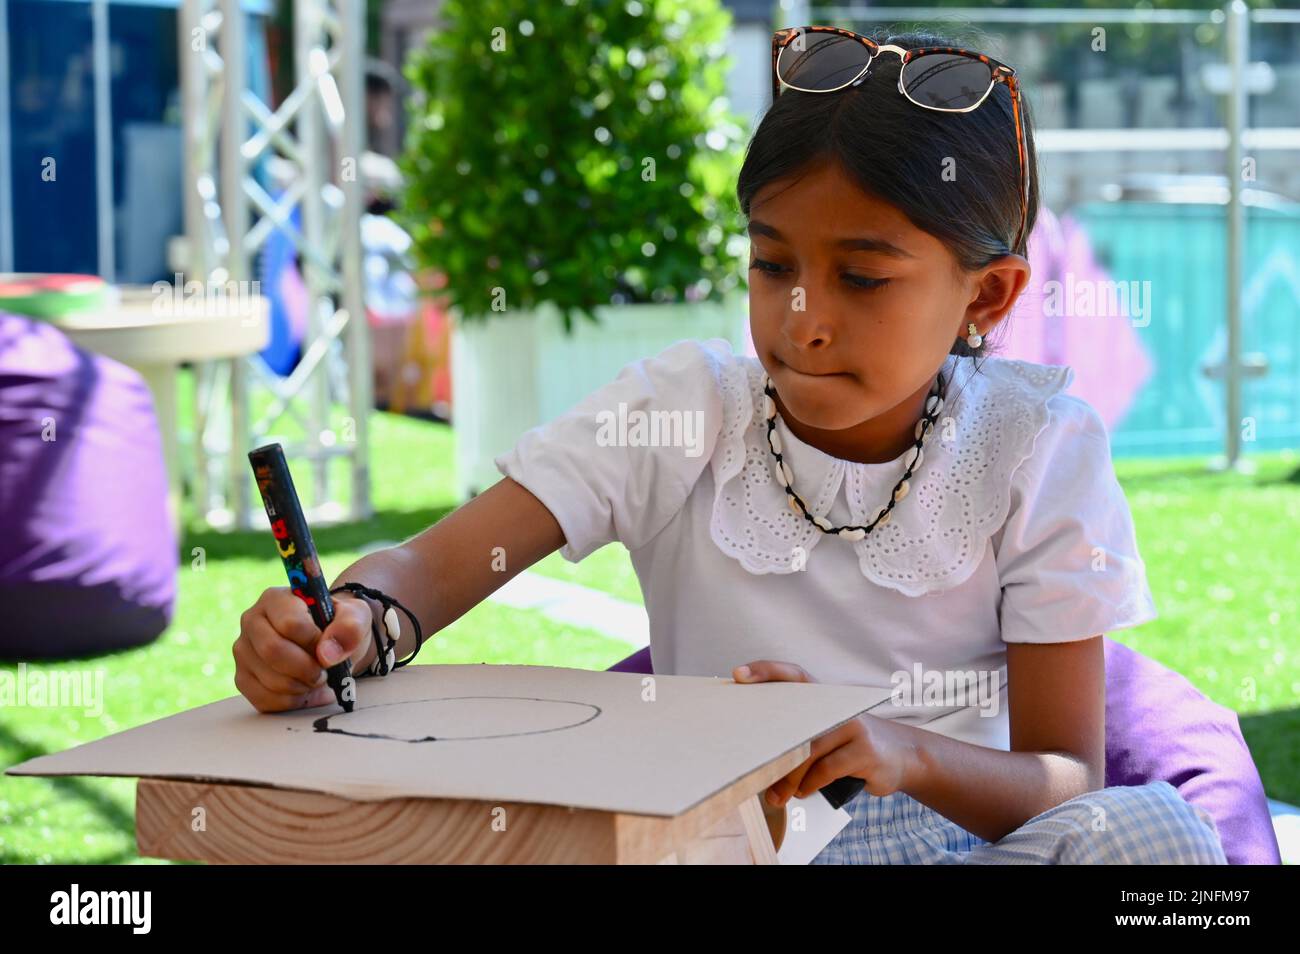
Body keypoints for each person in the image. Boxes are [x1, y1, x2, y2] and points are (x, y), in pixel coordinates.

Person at [231, 27, 1226, 864]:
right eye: (771, 263)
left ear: (988, 295)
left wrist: (897, 753)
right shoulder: (683, 408)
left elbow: (1065, 778)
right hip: (729, 846)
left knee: (1158, 837)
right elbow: (430, 567)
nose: (803, 318)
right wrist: (356, 622)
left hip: (953, 846)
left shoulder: (1035, 445)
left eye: (863, 278)